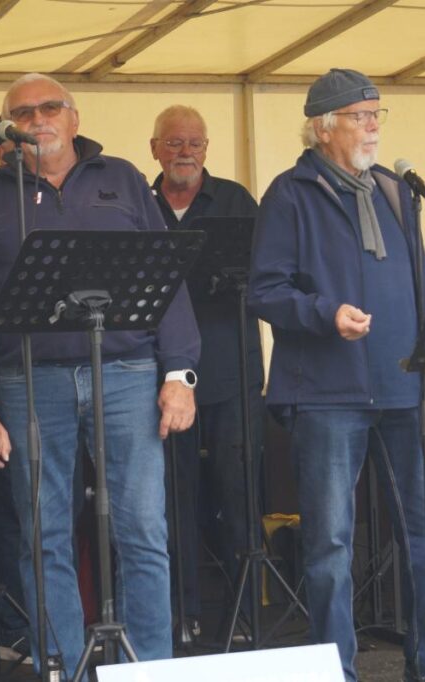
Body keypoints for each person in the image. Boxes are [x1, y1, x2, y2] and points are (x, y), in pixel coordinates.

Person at [0, 73, 199, 673]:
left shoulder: (124, 179)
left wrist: (180, 373)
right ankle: (62, 667)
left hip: (128, 372)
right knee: (43, 536)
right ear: (8, 126)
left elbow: (167, 280)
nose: (38, 119)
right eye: (23, 112)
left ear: (75, 117)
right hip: (29, 380)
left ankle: (148, 668)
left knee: (142, 529)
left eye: (50, 107)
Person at [249, 68, 425, 682]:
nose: (373, 127)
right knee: (330, 543)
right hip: (326, 396)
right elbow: (264, 291)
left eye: (377, 114)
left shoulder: (397, 191)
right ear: (323, 128)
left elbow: (423, 290)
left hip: (406, 389)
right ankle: (334, 670)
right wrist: (325, 314)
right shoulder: (290, 194)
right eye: (360, 116)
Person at [149, 105, 265, 637]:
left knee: (238, 496)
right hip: (164, 379)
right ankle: (183, 615)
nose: (185, 152)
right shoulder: (140, 205)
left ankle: (246, 615)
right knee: (173, 501)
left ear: (207, 149)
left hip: (231, 373)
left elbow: (267, 277)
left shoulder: (237, 201)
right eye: (174, 143)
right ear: (155, 149)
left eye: (195, 143)